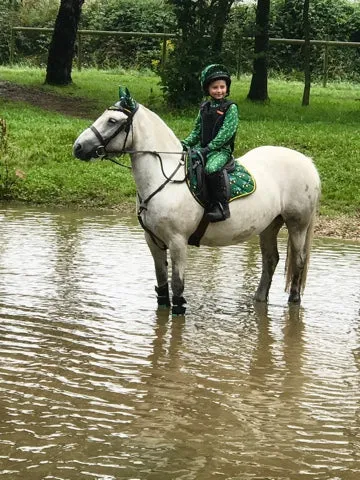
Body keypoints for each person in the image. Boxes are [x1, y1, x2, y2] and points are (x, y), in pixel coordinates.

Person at [181, 64, 239, 222]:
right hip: (203, 148)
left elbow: (226, 133)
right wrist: (184, 143)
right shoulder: (204, 108)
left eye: (222, 87)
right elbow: (196, 131)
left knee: (211, 169)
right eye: (215, 87)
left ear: (227, 88)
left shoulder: (231, 108)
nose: (219, 90)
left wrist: (209, 148)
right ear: (208, 89)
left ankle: (221, 207)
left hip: (221, 151)